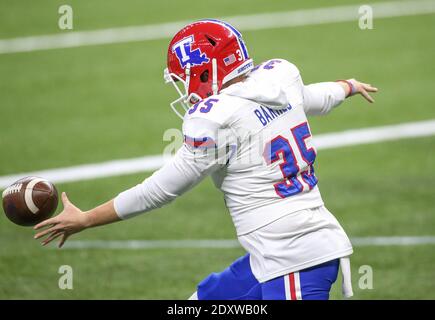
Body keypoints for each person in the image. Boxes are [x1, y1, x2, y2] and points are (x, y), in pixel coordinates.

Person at [34, 19, 377, 300]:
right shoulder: (279, 78)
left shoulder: (215, 118)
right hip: (276, 256)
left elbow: (161, 190)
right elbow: (314, 97)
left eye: (184, 76)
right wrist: (347, 85)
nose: (184, 88)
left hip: (294, 261)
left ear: (204, 70)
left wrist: (86, 219)